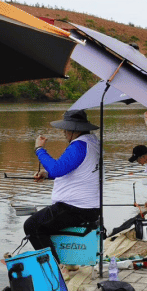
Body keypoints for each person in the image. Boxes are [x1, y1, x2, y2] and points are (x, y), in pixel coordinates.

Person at [27, 109, 102, 263]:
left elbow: (56, 168)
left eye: (65, 129)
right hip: (89, 207)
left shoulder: (79, 146)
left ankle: (54, 269)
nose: (63, 133)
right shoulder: (93, 142)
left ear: (74, 129)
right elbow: (71, 169)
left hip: (76, 208)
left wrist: (39, 149)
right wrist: (47, 175)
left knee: (32, 226)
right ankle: (69, 262)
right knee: (46, 223)